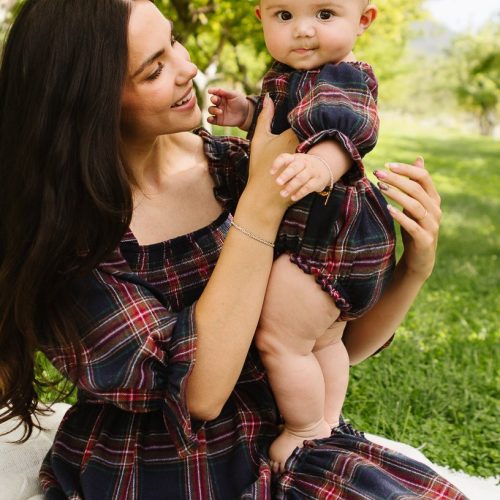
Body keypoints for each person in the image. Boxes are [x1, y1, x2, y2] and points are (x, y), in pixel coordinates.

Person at [0, 1, 465, 499]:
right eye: (155, 68)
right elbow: (200, 395)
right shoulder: (73, 242)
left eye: (174, 41)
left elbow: (330, 341)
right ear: (87, 100)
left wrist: (415, 266)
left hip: (293, 439)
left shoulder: (232, 165)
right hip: (169, 469)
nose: (188, 68)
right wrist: (260, 206)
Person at [209, 0, 391, 471]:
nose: (303, 30)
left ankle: (305, 429)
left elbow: (343, 134)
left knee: (281, 339)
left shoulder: (342, 76)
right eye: (283, 15)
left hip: (325, 239)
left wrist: (320, 165)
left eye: (325, 14)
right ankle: (329, 422)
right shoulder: (293, 75)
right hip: (346, 242)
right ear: (261, 18)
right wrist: (248, 113)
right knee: (324, 341)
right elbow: (287, 122)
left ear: (364, 21)